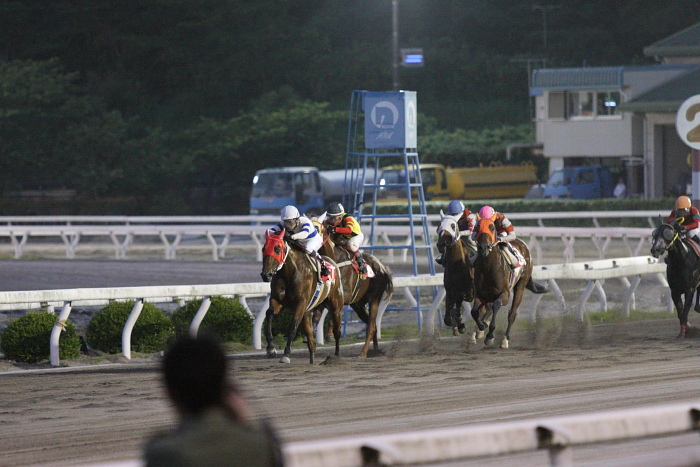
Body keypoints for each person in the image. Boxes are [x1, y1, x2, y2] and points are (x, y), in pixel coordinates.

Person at [143, 334, 284, 467]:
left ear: (169, 391)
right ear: (225, 385)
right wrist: (241, 422)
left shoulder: (164, 452)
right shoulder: (261, 444)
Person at [270, 205, 330, 276]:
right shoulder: (284, 224)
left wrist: (292, 237)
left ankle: (323, 265)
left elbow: (305, 233)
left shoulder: (305, 221)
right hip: (299, 241)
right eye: (286, 222)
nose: (288, 225)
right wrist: (275, 233)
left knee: (308, 248)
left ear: (297, 219)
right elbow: (269, 231)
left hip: (313, 240)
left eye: (290, 222)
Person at [322, 202, 367, 276]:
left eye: (334, 218)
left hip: (355, 236)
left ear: (340, 216)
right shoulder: (331, 220)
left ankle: (361, 262)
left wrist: (334, 229)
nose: (332, 220)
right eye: (330, 217)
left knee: (351, 245)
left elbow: (349, 230)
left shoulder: (348, 219)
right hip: (344, 237)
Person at [435, 200, 477, 265]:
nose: (453, 216)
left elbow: (471, 231)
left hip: (468, 235)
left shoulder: (470, 216)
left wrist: (460, 233)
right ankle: (443, 256)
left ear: (462, 212)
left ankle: (476, 254)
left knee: (470, 240)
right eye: (452, 214)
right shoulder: (449, 217)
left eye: (455, 214)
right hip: (456, 235)